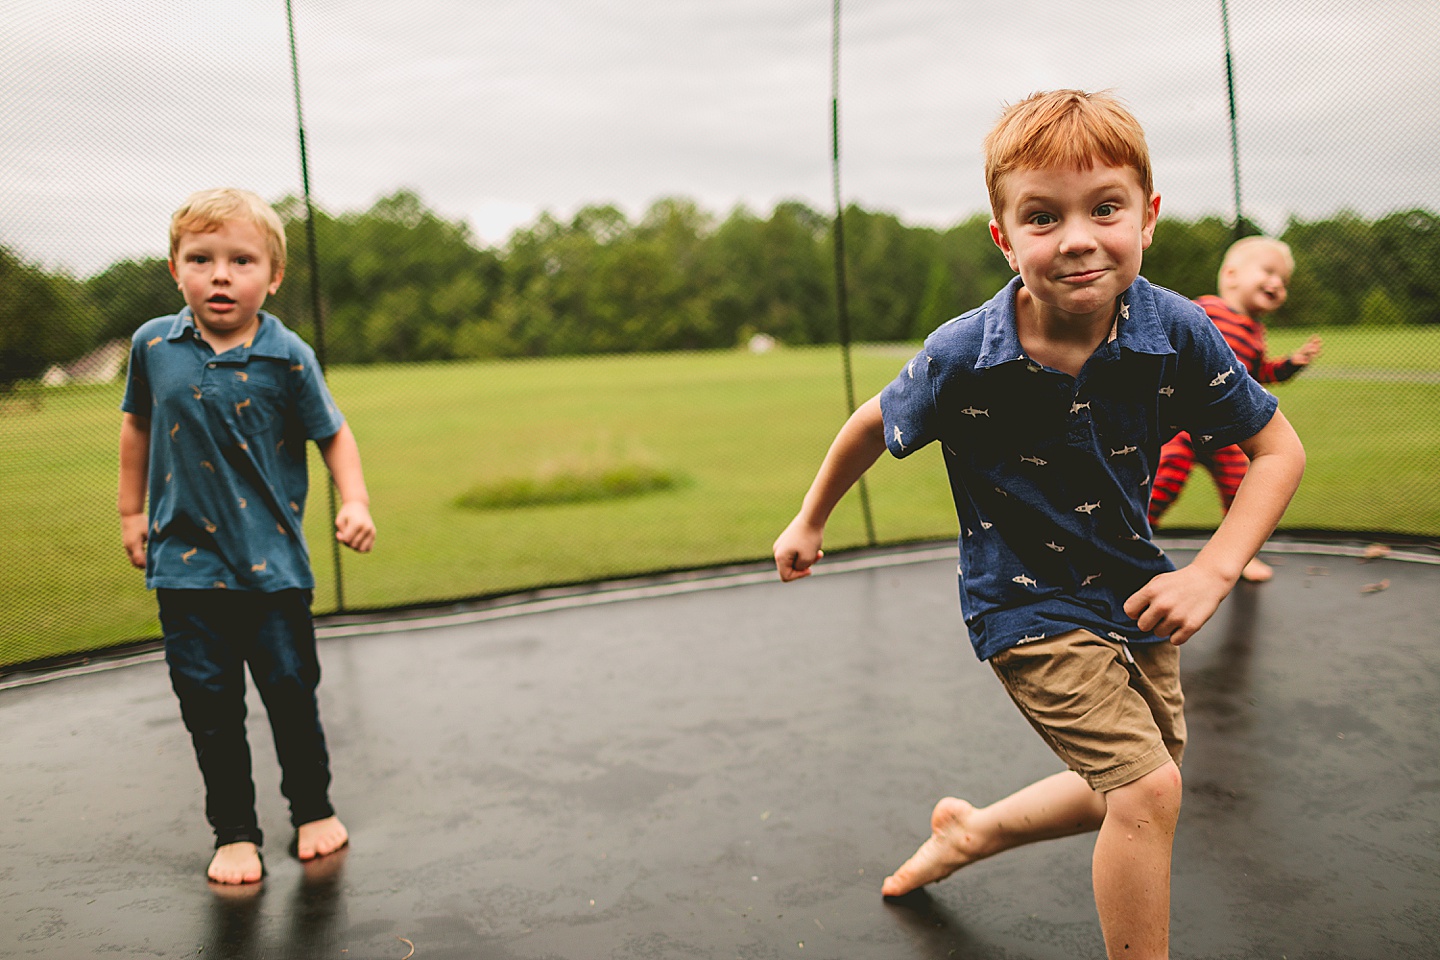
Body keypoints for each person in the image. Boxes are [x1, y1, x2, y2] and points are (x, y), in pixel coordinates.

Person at [772, 90, 1305, 960]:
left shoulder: (1178, 332)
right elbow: (873, 421)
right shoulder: (963, 356)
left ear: (1148, 215)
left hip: (1131, 590)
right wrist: (810, 518)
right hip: (1022, 603)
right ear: (1005, 237)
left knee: (1129, 787)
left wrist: (1211, 570)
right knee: (1146, 791)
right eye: (1043, 216)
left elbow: (1277, 451)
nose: (1078, 237)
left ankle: (970, 833)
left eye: (1105, 207)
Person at [118, 188, 376, 885]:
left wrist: (354, 499)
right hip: (185, 568)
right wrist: (130, 514)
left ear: (273, 275)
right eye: (201, 259)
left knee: (290, 692)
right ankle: (234, 832)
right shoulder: (152, 346)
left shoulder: (287, 354)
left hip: (274, 572)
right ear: (176, 269)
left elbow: (334, 431)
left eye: (241, 260)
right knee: (208, 706)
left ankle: (314, 810)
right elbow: (137, 425)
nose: (221, 274)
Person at [1148, 236, 1323, 581]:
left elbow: (1258, 375)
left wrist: (1290, 364)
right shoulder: (1205, 310)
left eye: (1284, 281)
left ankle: (1239, 556)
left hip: (1228, 430)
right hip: (1181, 425)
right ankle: (1128, 542)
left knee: (1242, 489)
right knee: (1161, 485)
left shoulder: (1256, 333)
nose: (1277, 283)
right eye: (1269, 272)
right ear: (1231, 275)